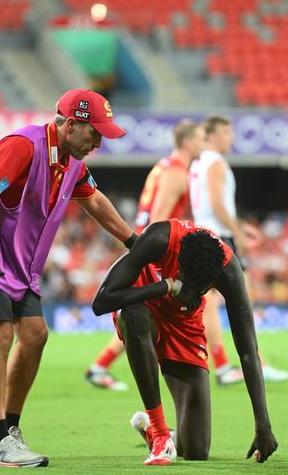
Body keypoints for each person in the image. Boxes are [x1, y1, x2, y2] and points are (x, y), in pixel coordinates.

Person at [0, 89, 137, 468]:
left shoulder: (72, 160)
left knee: (35, 335)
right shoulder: (23, 146)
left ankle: (10, 430)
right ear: (71, 124)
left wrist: (133, 241)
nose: (99, 141)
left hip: (17, 265)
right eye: (94, 132)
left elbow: (93, 200)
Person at [92, 218, 278, 466]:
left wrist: (262, 423)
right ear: (178, 262)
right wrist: (165, 286)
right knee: (132, 315)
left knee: (196, 451)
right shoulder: (158, 239)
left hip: (185, 325)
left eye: (202, 289)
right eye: (189, 284)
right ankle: (159, 433)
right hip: (145, 307)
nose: (194, 293)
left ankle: (155, 431)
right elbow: (101, 302)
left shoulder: (228, 270)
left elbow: (247, 350)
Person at [86, 119, 205, 391]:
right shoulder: (177, 172)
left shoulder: (163, 166)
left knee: (148, 312)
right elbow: (159, 221)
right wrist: (163, 253)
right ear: (187, 142)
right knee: (176, 305)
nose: (203, 144)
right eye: (200, 138)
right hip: (152, 249)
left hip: (142, 246)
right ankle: (216, 366)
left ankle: (99, 366)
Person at [189, 115, 288, 385]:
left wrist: (240, 226)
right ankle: (255, 364)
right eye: (225, 132)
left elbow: (209, 206)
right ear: (210, 135)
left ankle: (221, 364)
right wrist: (236, 232)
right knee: (243, 302)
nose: (230, 137)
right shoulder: (216, 162)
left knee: (206, 303)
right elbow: (217, 204)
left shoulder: (198, 162)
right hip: (219, 237)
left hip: (205, 234)